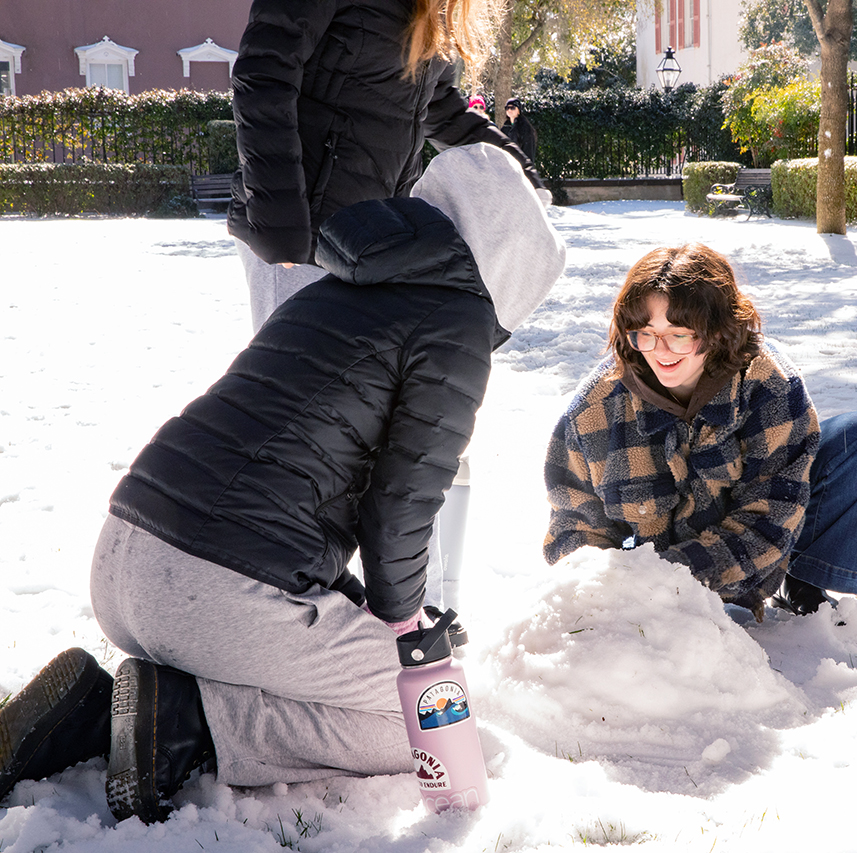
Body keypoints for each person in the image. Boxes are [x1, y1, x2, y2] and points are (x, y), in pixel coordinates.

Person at [0, 144, 566, 822]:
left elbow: (287, 491)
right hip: (208, 589)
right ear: (511, 261)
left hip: (126, 557)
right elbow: (402, 504)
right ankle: (190, 720)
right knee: (424, 719)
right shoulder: (455, 318)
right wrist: (408, 631)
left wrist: (362, 607)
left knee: (353, 665)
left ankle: (98, 715)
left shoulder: (341, 288)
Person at [543, 243, 857, 621]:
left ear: (718, 332)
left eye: (680, 335)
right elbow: (574, 527)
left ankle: (803, 579)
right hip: (648, 588)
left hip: (742, 560)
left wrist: (675, 580)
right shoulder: (594, 408)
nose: (660, 350)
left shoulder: (769, 383)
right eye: (645, 333)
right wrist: (614, 595)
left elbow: (770, 515)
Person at [228, 0, 550, 332]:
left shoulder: (433, 8)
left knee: (358, 377)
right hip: (303, 228)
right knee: (296, 376)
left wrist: (519, 171)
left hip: (374, 232)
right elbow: (264, 73)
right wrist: (279, 221)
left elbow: (441, 105)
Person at [500, 98, 537, 167]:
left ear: (519, 111)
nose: (509, 110)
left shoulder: (525, 128)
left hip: (520, 165)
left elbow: (528, 150)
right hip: (507, 166)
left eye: (512, 108)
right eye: (507, 108)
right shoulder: (505, 128)